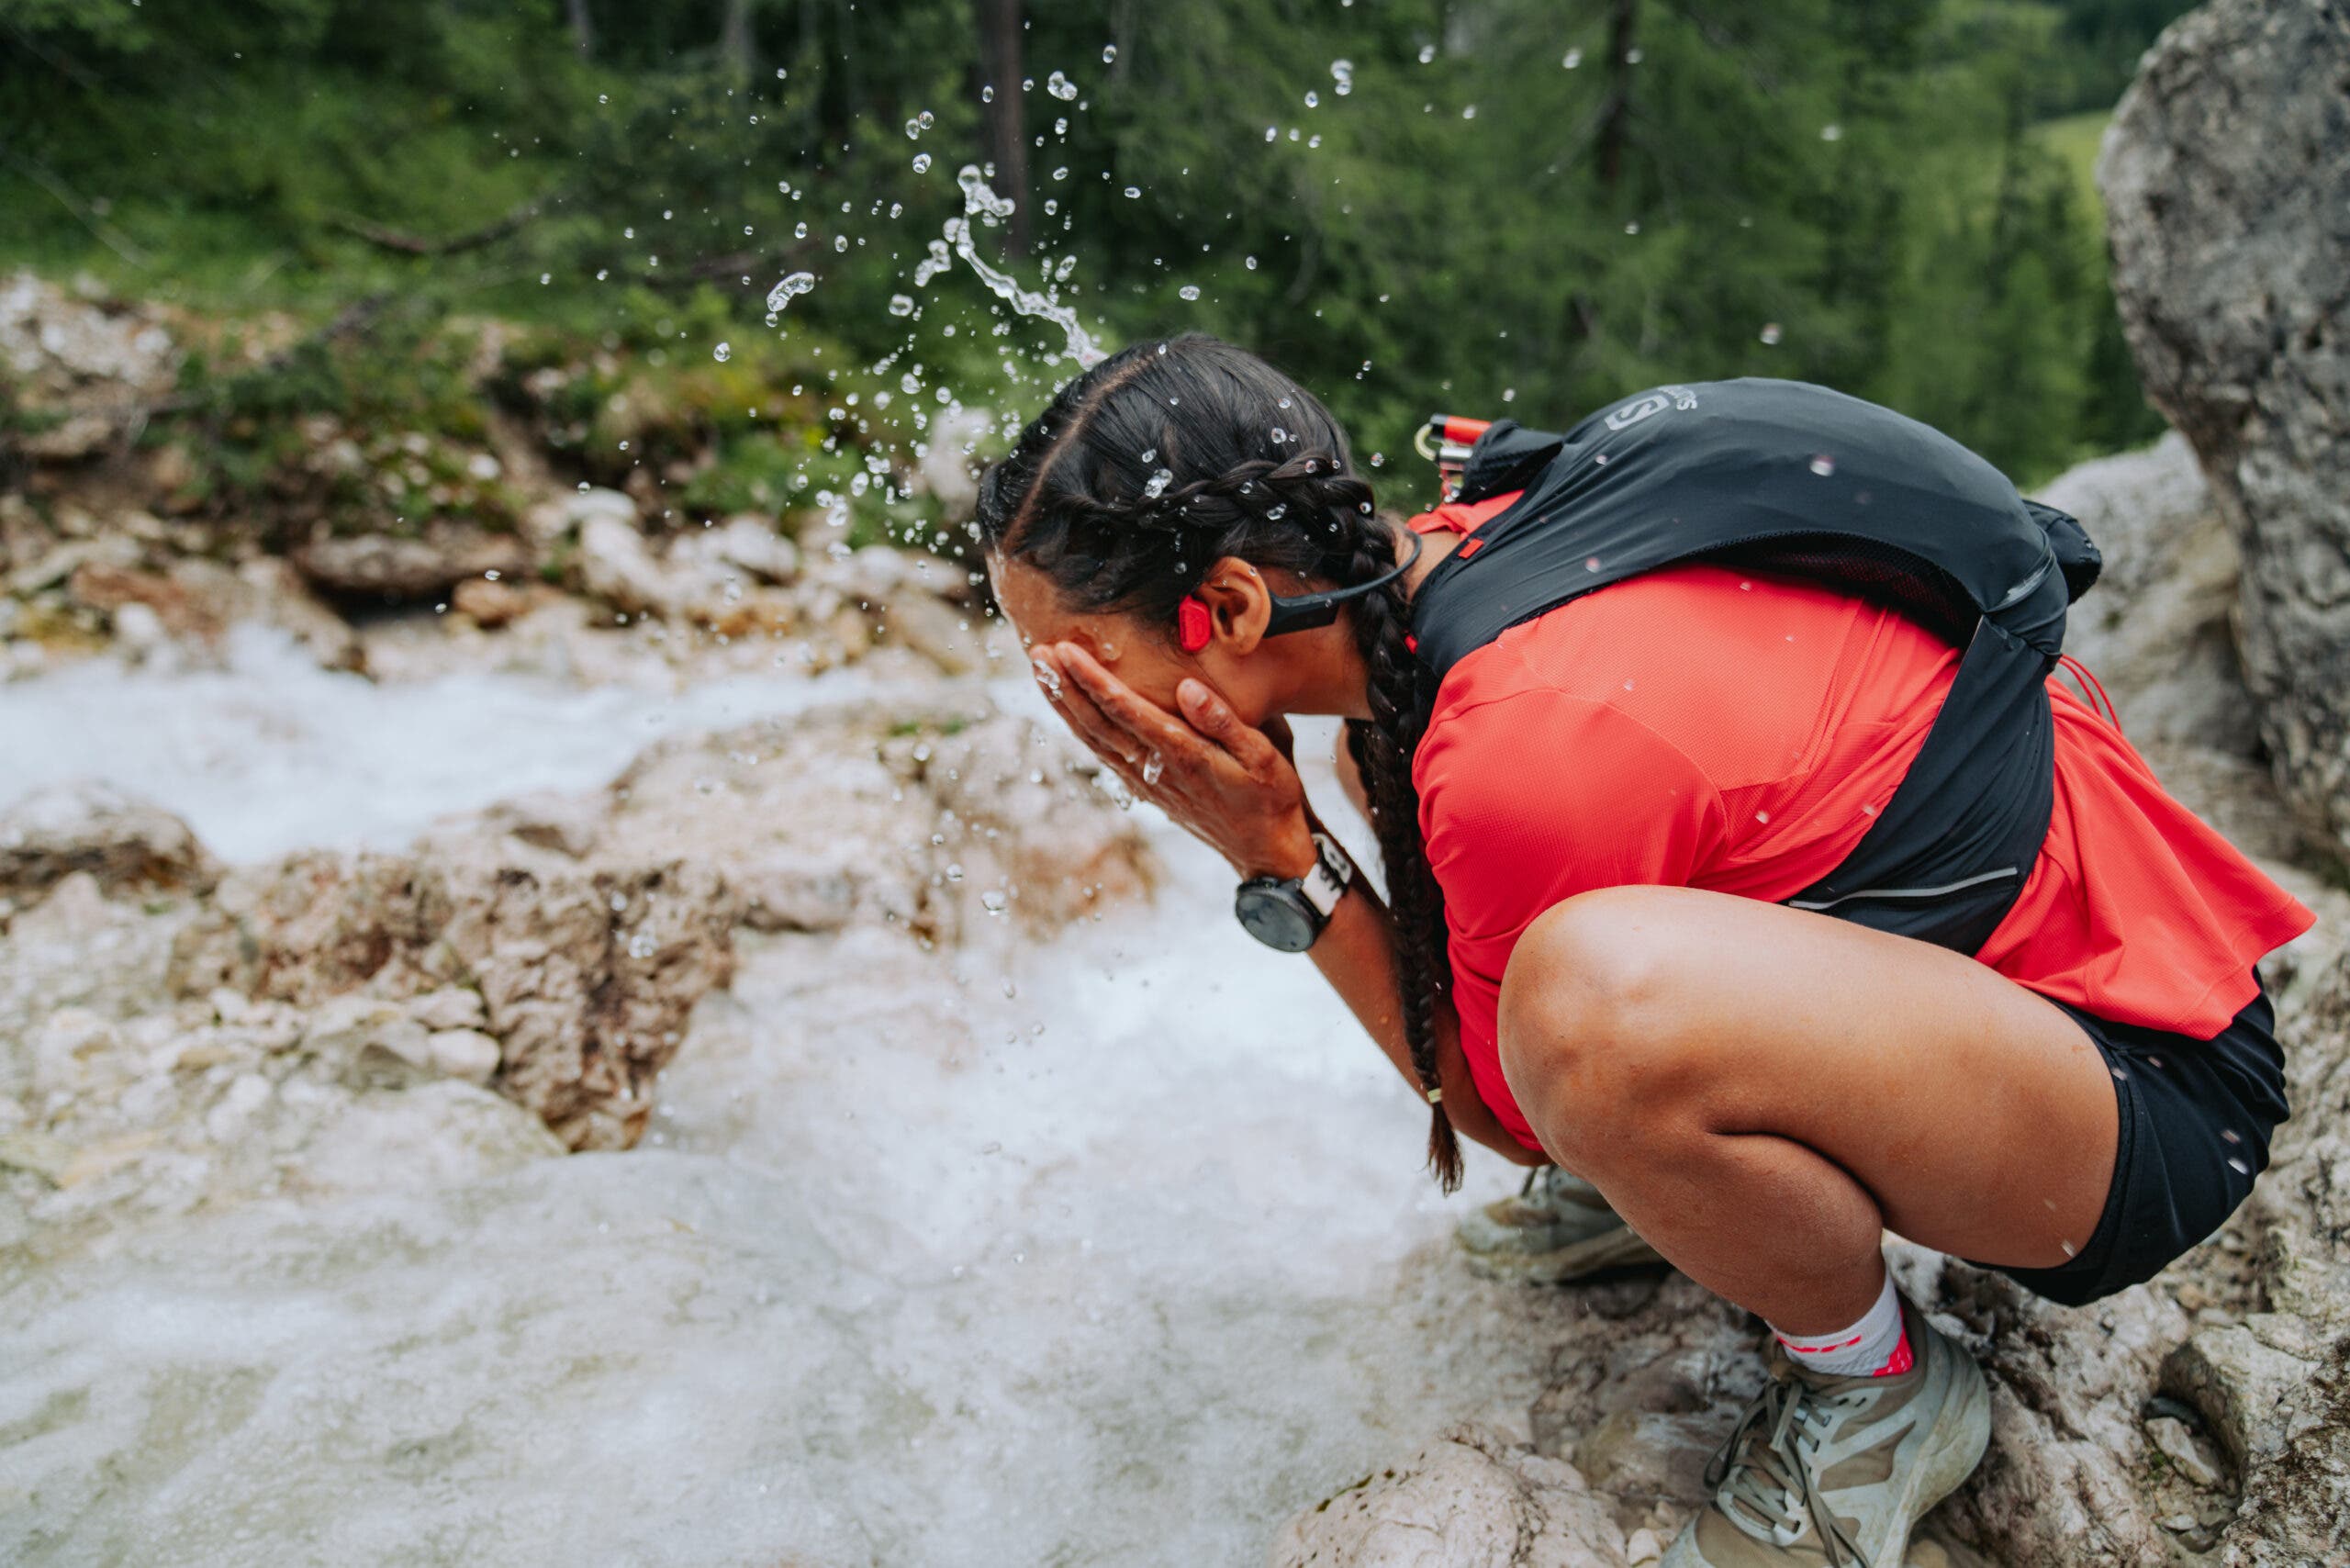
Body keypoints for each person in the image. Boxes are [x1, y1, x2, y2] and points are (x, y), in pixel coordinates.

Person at [976, 334, 2311, 1567]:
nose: (1071, 715)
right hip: (2032, 1011)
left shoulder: (1513, 746)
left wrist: (1281, 860)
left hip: (2144, 1100)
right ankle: (1687, 1183)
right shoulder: (1457, 560)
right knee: (1561, 982)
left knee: (1587, 1027)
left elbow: (1513, 1111)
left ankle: (1876, 1388)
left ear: (1230, 606)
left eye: (1076, 669)